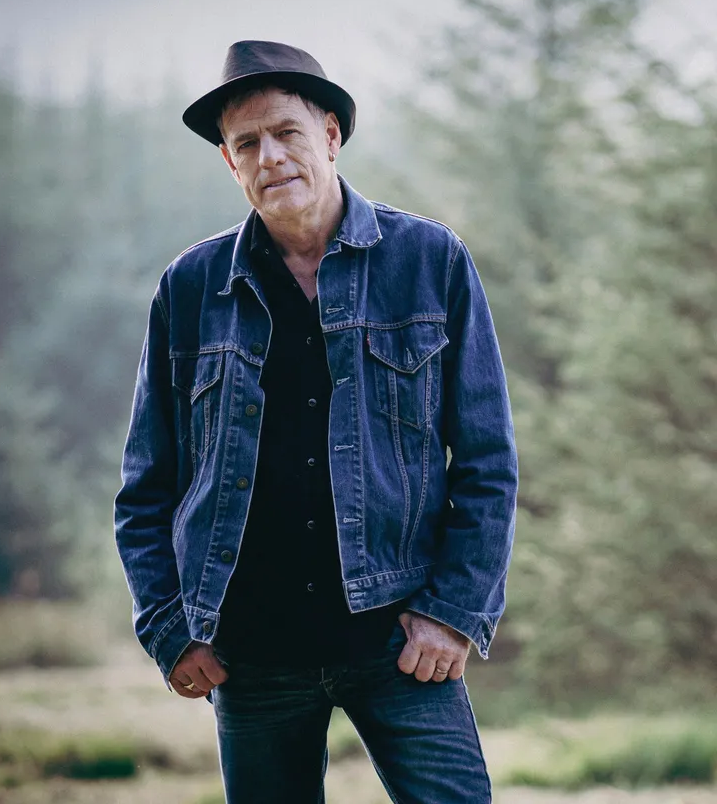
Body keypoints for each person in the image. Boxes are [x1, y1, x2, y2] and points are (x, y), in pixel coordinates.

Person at [114, 39, 518, 804]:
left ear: (330, 135)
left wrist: (453, 614)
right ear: (230, 163)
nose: (269, 157)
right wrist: (171, 628)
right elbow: (146, 486)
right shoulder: (191, 287)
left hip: (399, 639)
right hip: (250, 652)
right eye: (246, 144)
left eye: (286, 132)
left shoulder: (430, 260)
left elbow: (488, 462)